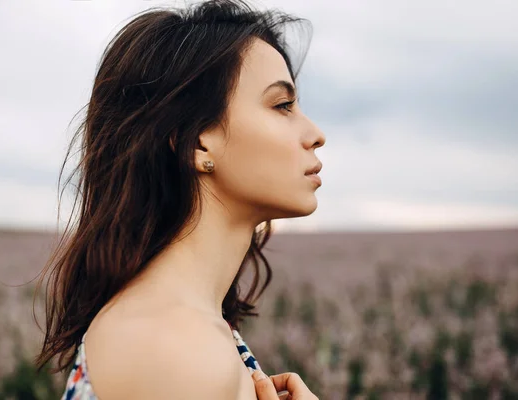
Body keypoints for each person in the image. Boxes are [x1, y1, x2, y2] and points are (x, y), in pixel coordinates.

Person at [34, 0, 325, 398]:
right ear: (197, 143)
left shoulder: (190, 327)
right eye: (282, 105)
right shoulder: (174, 347)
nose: (315, 133)